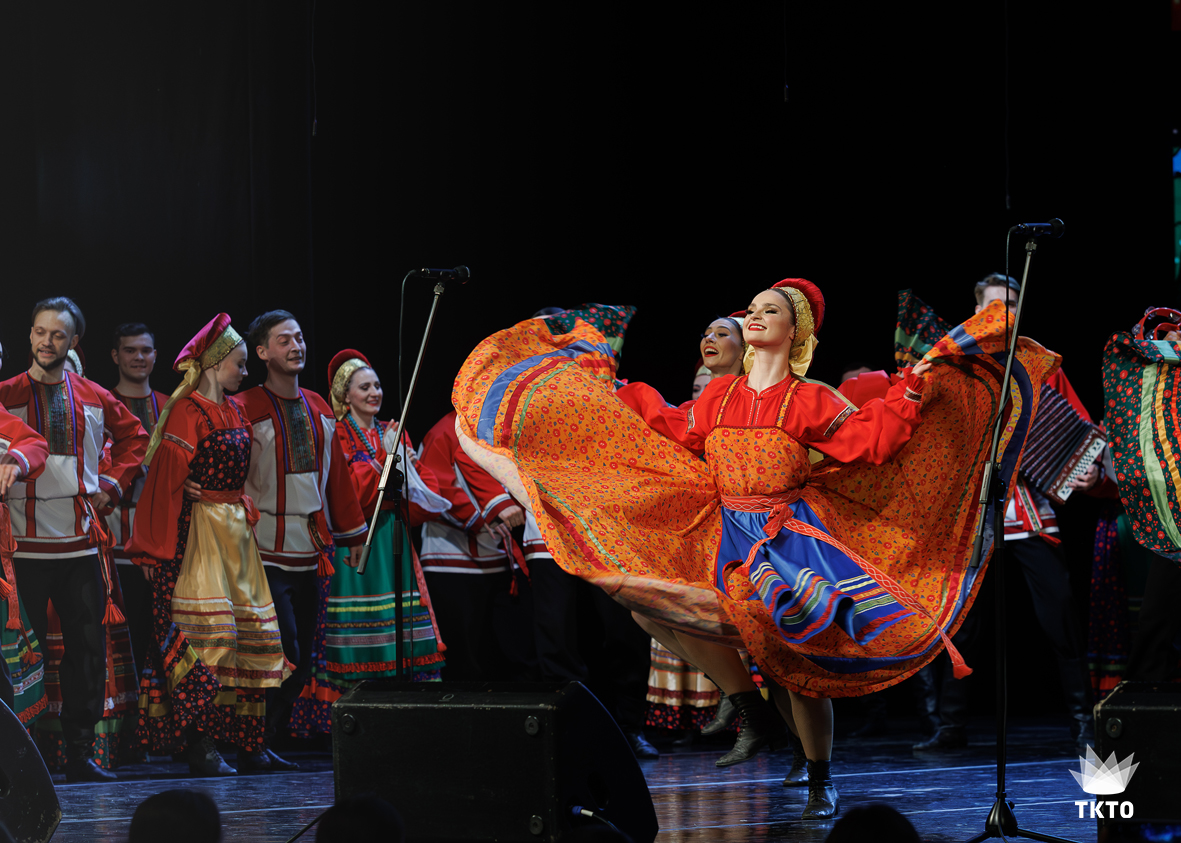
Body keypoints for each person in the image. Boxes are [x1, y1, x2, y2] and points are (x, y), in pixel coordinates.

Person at [454, 279, 1055, 819]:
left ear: (795, 331)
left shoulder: (811, 398)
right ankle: (748, 706)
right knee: (649, 607)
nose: (756, 316)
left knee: (798, 665)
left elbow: (873, 443)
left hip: (786, 538)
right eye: (753, 309)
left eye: (771, 311)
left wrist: (914, 387)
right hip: (721, 533)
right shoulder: (719, 396)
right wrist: (603, 393)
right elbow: (670, 425)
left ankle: (819, 778)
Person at [910, 273, 1095, 752]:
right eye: (994, 306)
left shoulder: (1040, 364)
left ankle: (1083, 722)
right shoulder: (954, 364)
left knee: (1059, 612)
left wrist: (1087, 470)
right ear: (977, 311)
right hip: (970, 511)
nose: (1003, 315)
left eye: (1012, 305)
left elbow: (1077, 429)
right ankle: (950, 725)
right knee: (961, 621)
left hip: (1028, 508)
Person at [128, 313, 290, 777]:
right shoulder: (187, 412)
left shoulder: (236, 410)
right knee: (208, 639)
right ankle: (201, 745)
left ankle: (251, 744)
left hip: (235, 532)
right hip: (198, 532)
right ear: (216, 364)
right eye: (239, 363)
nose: (244, 371)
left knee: (250, 638)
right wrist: (153, 547)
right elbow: (162, 483)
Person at [0, 297, 148, 783]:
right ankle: (26, 756)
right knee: (25, 654)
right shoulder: (6, 394)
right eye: (40, 332)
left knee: (87, 650)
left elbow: (136, 439)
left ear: (74, 341)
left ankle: (81, 752)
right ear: (30, 335)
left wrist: (112, 484)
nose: (47, 341)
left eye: (58, 334)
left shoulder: (94, 395)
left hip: (80, 542)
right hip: (24, 546)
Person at [236, 311, 367, 761]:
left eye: (299, 337)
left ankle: (266, 738)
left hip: (310, 548)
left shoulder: (319, 407)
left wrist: (352, 535)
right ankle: (251, 741)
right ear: (261, 352)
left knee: (303, 656)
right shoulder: (244, 407)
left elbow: (338, 479)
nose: (296, 346)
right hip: (260, 549)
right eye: (283, 340)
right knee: (280, 647)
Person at [324, 349, 448, 683]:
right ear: (345, 395)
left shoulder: (396, 432)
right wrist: (384, 459)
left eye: (377, 386)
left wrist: (410, 465)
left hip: (394, 534)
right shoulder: (338, 435)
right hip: (358, 538)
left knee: (402, 616)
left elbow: (424, 501)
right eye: (364, 387)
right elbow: (347, 494)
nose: (374, 393)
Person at [417, 410, 538, 683]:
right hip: (451, 560)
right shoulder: (444, 431)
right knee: (464, 659)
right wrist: (480, 519)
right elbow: (435, 488)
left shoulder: (497, 427)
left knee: (504, 654)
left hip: (497, 557)